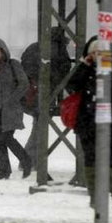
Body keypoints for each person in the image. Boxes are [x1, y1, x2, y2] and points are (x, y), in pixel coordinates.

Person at [66, 36, 112, 209]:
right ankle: (94, 195)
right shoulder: (86, 70)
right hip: (87, 122)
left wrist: (110, 104)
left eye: (99, 52)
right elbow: (72, 86)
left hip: (111, 123)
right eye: (93, 52)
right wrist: (84, 65)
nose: (96, 55)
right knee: (91, 160)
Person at [20, 26, 72, 164]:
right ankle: (28, 159)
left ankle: (29, 159)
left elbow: (24, 65)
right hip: (48, 92)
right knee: (39, 126)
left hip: (32, 91)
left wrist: (34, 80)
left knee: (38, 125)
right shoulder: (59, 50)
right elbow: (64, 71)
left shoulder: (34, 47)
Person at [0, 39, 32, 179]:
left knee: (7, 138)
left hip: (11, 110)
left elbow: (24, 83)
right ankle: (4, 170)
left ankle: (26, 161)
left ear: (4, 51)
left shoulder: (13, 65)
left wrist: (13, 99)